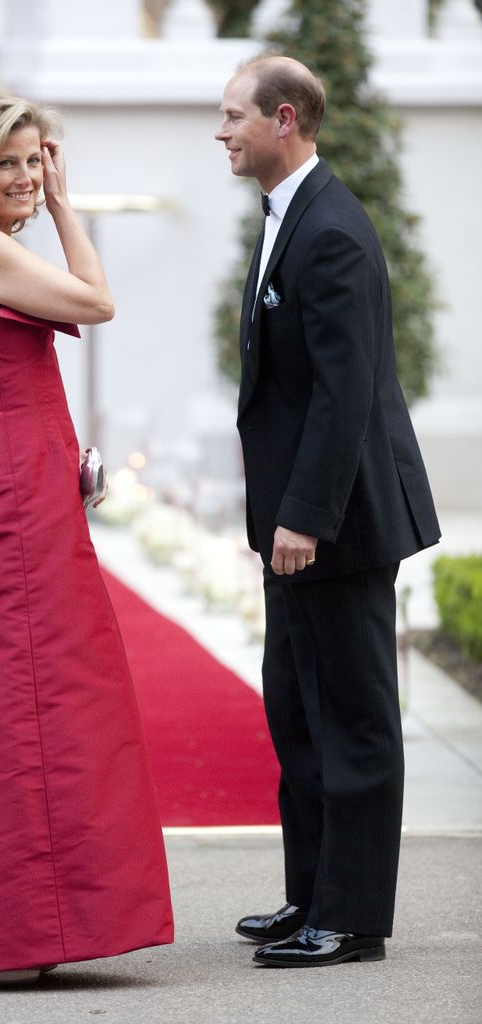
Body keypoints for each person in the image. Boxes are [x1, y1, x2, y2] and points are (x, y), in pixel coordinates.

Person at [0, 91, 174, 983]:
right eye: (12, 164)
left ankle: (33, 921)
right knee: (18, 704)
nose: (26, 177)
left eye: (36, 162)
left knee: (43, 698)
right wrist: (65, 207)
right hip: (11, 498)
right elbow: (96, 301)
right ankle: (7, 926)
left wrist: (70, 459)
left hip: (26, 484)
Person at [215, 54, 440, 968]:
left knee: (350, 718)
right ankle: (310, 894)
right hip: (294, 524)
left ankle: (350, 919)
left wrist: (303, 515)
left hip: (335, 525)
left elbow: (344, 395)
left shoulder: (334, 230)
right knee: (297, 713)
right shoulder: (285, 217)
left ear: (282, 120)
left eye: (232, 117)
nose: (221, 132)